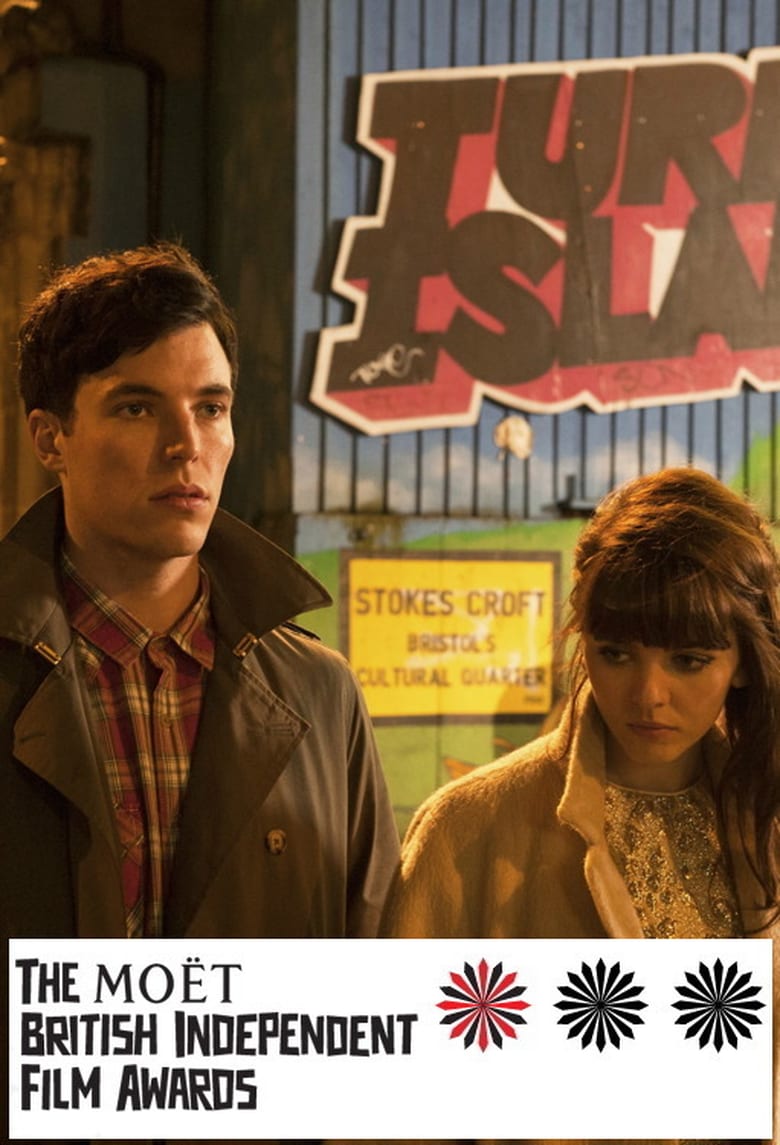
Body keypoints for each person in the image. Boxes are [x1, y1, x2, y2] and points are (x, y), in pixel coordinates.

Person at [0, 241, 399, 1139]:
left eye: (210, 407)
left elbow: (373, 989)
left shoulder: (319, 694)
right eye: (137, 406)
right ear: (50, 436)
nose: (187, 445)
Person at [382, 467, 780, 1145]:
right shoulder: (468, 827)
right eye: (616, 653)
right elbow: (398, 1103)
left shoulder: (766, 820)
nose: (648, 694)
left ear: (742, 661)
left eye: (687, 660)